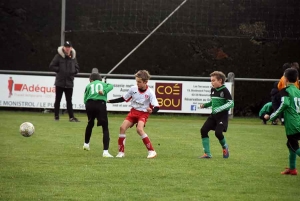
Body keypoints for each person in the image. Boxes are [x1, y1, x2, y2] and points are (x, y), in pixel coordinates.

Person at [107, 70, 160, 159]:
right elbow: (123, 98)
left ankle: (152, 151)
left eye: (139, 82)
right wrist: (109, 101)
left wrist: (152, 111)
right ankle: (121, 153)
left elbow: (157, 106)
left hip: (143, 114)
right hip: (133, 112)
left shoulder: (150, 92)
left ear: (145, 82)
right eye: (137, 81)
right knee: (122, 128)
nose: (137, 83)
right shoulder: (133, 89)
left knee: (139, 129)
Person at [267, 68, 300, 175]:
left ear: (285, 79)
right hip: (298, 120)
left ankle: (292, 168)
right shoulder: (298, 91)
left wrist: (273, 116)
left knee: (293, 145)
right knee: (290, 144)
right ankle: (292, 169)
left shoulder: (285, 91)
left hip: (292, 123)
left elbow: (284, 104)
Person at [199, 71, 234, 159]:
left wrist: (220, 108)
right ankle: (207, 154)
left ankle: (225, 147)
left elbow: (230, 103)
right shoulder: (213, 89)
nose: (212, 82)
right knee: (203, 130)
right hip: (213, 115)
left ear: (220, 81)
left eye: (213, 80)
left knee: (218, 133)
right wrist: (205, 105)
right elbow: (213, 101)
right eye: (211, 80)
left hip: (222, 116)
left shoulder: (225, 90)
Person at [83, 72, 114, 157]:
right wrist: (104, 91)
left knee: (90, 123)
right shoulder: (103, 84)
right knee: (105, 127)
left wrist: (87, 105)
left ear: (91, 80)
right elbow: (111, 86)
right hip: (100, 104)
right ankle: (105, 152)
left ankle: (86, 144)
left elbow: (85, 97)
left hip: (89, 104)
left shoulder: (89, 85)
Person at [49, 41, 80, 122]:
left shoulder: (73, 57)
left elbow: (77, 68)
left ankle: (71, 117)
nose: (67, 48)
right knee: (58, 100)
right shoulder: (58, 56)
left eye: (68, 47)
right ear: (63, 48)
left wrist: (74, 71)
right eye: (66, 47)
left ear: (71, 48)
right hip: (60, 82)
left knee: (69, 101)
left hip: (69, 82)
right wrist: (59, 70)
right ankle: (56, 116)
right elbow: (51, 66)